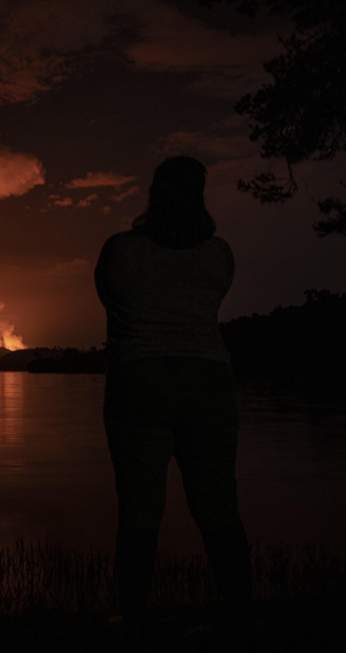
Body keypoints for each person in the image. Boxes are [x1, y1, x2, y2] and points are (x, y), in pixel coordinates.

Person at [94, 156, 252, 641]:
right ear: (200, 195)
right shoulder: (219, 254)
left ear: (153, 195)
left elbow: (113, 307)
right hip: (209, 380)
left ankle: (134, 619)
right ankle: (239, 615)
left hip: (141, 379)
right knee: (218, 504)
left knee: (140, 508)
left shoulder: (121, 251)